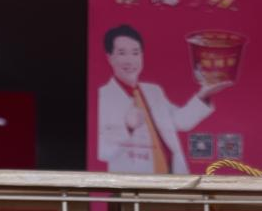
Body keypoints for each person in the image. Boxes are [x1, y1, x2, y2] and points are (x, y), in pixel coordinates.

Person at [97, 24, 231, 174]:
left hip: (172, 177)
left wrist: (203, 94)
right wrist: (127, 127)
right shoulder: (102, 96)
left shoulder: (153, 91)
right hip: (135, 183)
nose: (130, 60)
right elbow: (103, 152)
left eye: (135, 53)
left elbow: (180, 122)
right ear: (110, 58)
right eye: (122, 53)